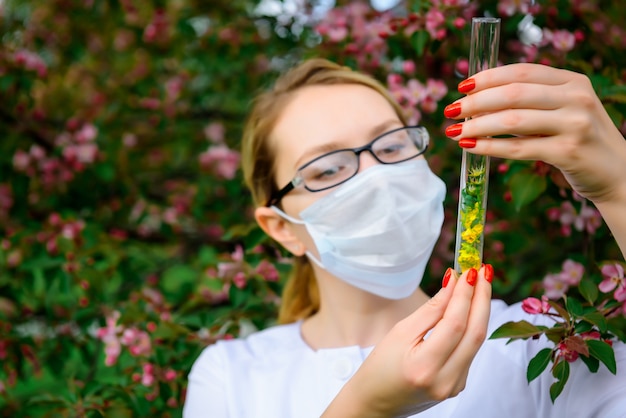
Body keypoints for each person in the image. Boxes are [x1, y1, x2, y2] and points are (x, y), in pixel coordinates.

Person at [183, 58, 626, 417]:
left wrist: (618, 187)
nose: (378, 179)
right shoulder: (231, 377)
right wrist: (365, 409)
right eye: (329, 168)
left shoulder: (542, 346)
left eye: (392, 146)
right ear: (282, 228)